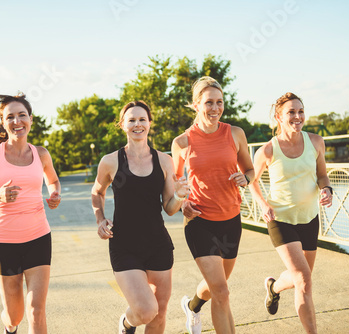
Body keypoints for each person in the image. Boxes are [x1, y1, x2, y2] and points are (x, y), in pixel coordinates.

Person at [0, 93, 61, 334]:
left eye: (21, 115)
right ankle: (9, 326)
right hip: (4, 240)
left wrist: (54, 194)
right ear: (3, 122)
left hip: (38, 236)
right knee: (14, 315)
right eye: (10, 117)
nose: (17, 121)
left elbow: (53, 181)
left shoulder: (41, 154)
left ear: (30, 119)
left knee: (36, 309)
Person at [91, 101, 190, 334]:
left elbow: (169, 208)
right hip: (124, 245)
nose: (137, 124)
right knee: (146, 311)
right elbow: (97, 191)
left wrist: (179, 196)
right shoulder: (111, 161)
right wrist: (100, 219)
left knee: (160, 312)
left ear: (149, 123)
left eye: (142, 119)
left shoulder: (164, 161)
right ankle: (127, 323)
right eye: (132, 120)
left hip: (158, 244)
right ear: (123, 125)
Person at [171, 76, 255, 334]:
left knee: (217, 287)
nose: (215, 108)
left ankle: (193, 306)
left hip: (231, 219)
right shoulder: (182, 142)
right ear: (196, 105)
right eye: (209, 102)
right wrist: (182, 202)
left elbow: (250, 170)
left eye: (219, 102)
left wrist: (246, 178)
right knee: (222, 292)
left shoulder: (235, 133)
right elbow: (175, 184)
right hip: (200, 221)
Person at [248, 92, 333, 334]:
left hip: (309, 217)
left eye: (300, 111)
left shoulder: (316, 142)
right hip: (280, 219)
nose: (297, 117)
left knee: (301, 279)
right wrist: (264, 204)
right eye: (291, 112)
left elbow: (322, 175)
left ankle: (273, 288)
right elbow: (252, 181)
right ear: (278, 117)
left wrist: (326, 189)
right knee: (304, 280)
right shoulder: (267, 150)